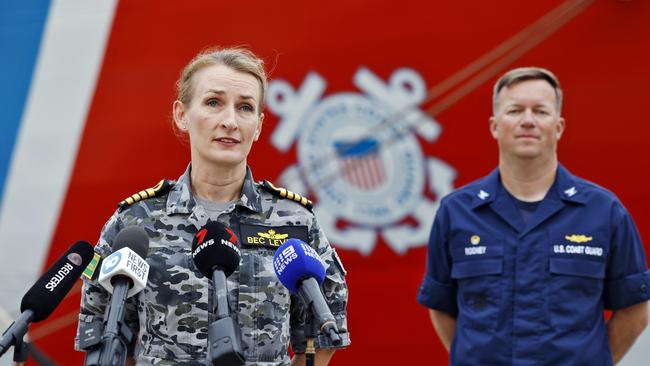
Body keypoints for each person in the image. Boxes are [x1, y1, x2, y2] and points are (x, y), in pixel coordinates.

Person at [76, 47, 350, 365]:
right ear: (182, 114)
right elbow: (102, 333)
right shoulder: (135, 223)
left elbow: (322, 335)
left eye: (245, 107)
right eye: (213, 103)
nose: (230, 121)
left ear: (259, 125)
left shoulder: (295, 222)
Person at [417, 67, 649, 365]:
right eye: (515, 110)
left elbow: (634, 312)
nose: (528, 120)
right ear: (495, 126)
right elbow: (440, 306)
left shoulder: (604, 212)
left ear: (559, 126)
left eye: (540, 111)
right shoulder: (456, 212)